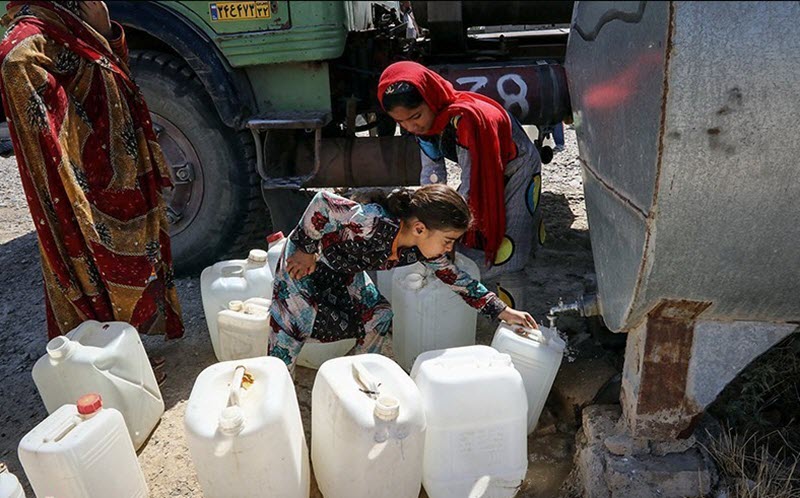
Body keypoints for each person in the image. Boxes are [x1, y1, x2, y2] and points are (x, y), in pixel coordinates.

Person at [0, 1, 184, 380]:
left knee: (138, 263)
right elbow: (46, 139)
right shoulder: (24, 47)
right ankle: (112, 371)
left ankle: (129, 356)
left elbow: (115, 70)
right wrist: (76, 193)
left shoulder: (72, 18)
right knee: (95, 270)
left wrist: (104, 27)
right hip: (81, 189)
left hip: (121, 165)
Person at [268, 184, 537, 372]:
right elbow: (323, 202)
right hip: (306, 261)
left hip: (342, 269)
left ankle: (356, 373)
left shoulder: (420, 251)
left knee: (379, 315)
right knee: (294, 326)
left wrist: (503, 311)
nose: (449, 249)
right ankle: (277, 386)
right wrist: (305, 247)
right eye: (448, 241)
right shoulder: (372, 222)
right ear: (420, 228)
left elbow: (460, 281)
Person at [378, 61, 543, 311]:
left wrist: (441, 227)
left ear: (430, 99)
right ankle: (483, 301)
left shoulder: (467, 121)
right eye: (401, 123)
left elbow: (471, 181)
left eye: (415, 117)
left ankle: (516, 318)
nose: (412, 127)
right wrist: (423, 214)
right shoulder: (428, 124)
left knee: (509, 244)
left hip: (517, 169)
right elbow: (432, 173)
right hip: (484, 170)